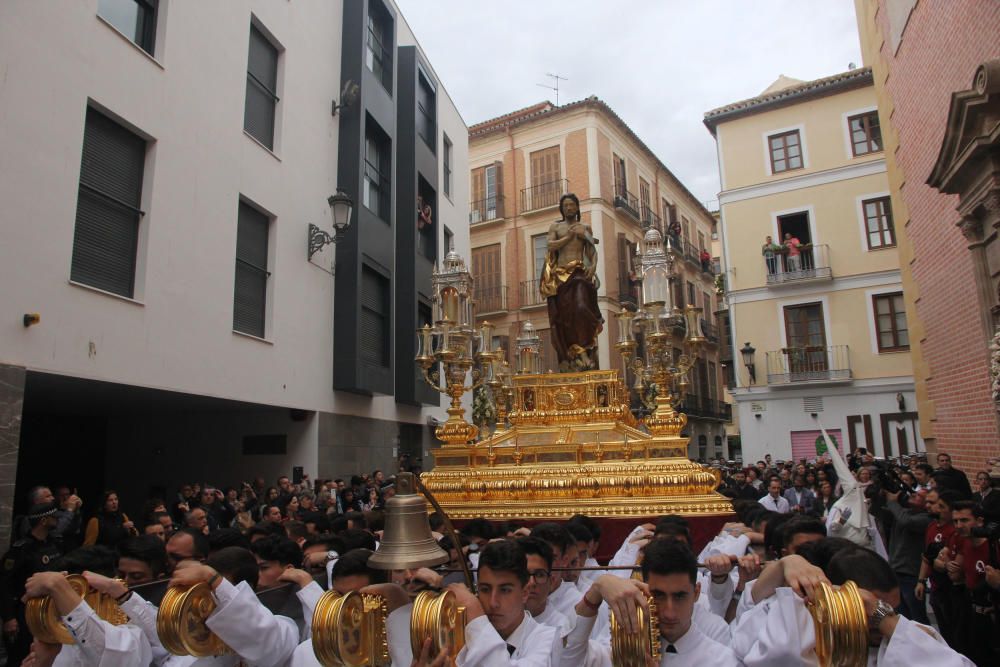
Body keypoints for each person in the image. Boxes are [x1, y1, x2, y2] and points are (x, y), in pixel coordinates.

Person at [564, 538, 740, 666]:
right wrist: (596, 590)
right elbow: (566, 658)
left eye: (679, 596)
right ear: (644, 590)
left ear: (696, 593)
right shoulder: (623, 650)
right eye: (659, 596)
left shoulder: (723, 661)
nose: (669, 612)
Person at [447, 540, 562, 665]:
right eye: (485, 589)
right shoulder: (463, 631)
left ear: (525, 592)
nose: (493, 603)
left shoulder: (547, 639)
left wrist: (473, 609)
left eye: (505, 590)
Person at [541, 193, 603, 372]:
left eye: (572, 205)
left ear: (577, 207)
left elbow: (592, 251)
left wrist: (593, 265)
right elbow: (550, 246)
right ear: (562, 209)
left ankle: (584, 347)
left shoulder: (585, 228)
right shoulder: (556, 226)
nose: (569, 208)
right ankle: (574, 353)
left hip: (578, 275)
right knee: (564, 318)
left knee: (582, 307)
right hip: (560, 277)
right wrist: (568, 237)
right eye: (565, 205)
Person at [0, 502, 64, 665]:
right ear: (43, 521)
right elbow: (4, 584)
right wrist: (9, 618)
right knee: (22, 655)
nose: (57, 520)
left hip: (51, 611)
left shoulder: (54, 543)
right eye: (53, 517)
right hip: (27, 612)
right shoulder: (21, 549)